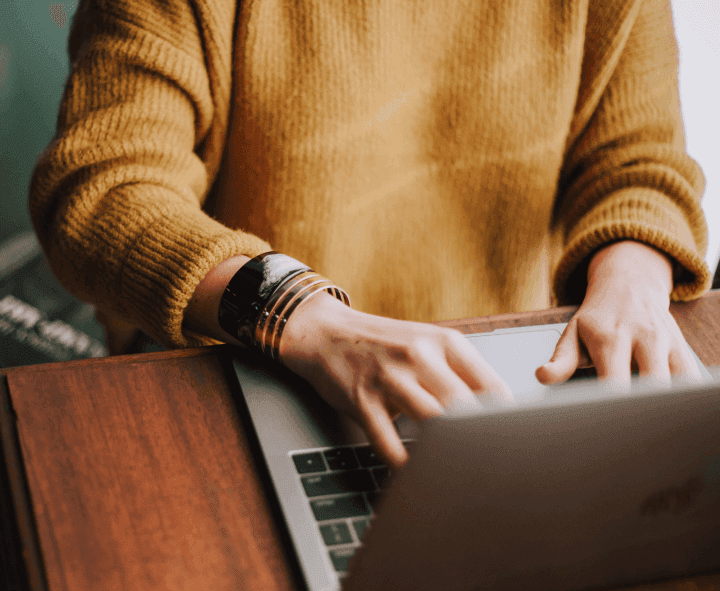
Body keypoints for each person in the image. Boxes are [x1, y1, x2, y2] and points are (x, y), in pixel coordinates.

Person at [30, 0, 711, 468]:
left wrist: (635, 276)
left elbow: (640, 163)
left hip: (501, 383)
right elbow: (101, 188)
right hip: (246, 365)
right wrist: (298, 314)